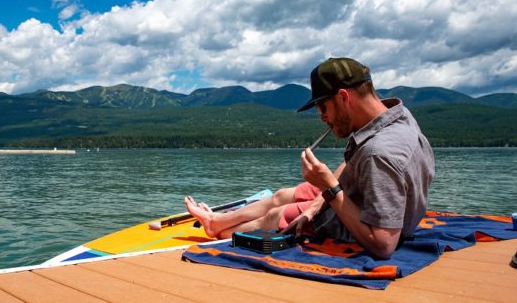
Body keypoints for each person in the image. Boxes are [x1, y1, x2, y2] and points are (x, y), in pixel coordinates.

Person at [184, 57, 435, 259]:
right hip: (358, 194)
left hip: (364, 223)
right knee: (283, 194)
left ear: (344, 98)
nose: (322, 117)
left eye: (323, 108)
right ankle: (216, 222)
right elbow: (353, 161)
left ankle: (221, 233)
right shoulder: (394, 115)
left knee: (277, 215)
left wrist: (329, 188)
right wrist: (320, 199)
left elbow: (383, 245)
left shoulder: (379, 153)